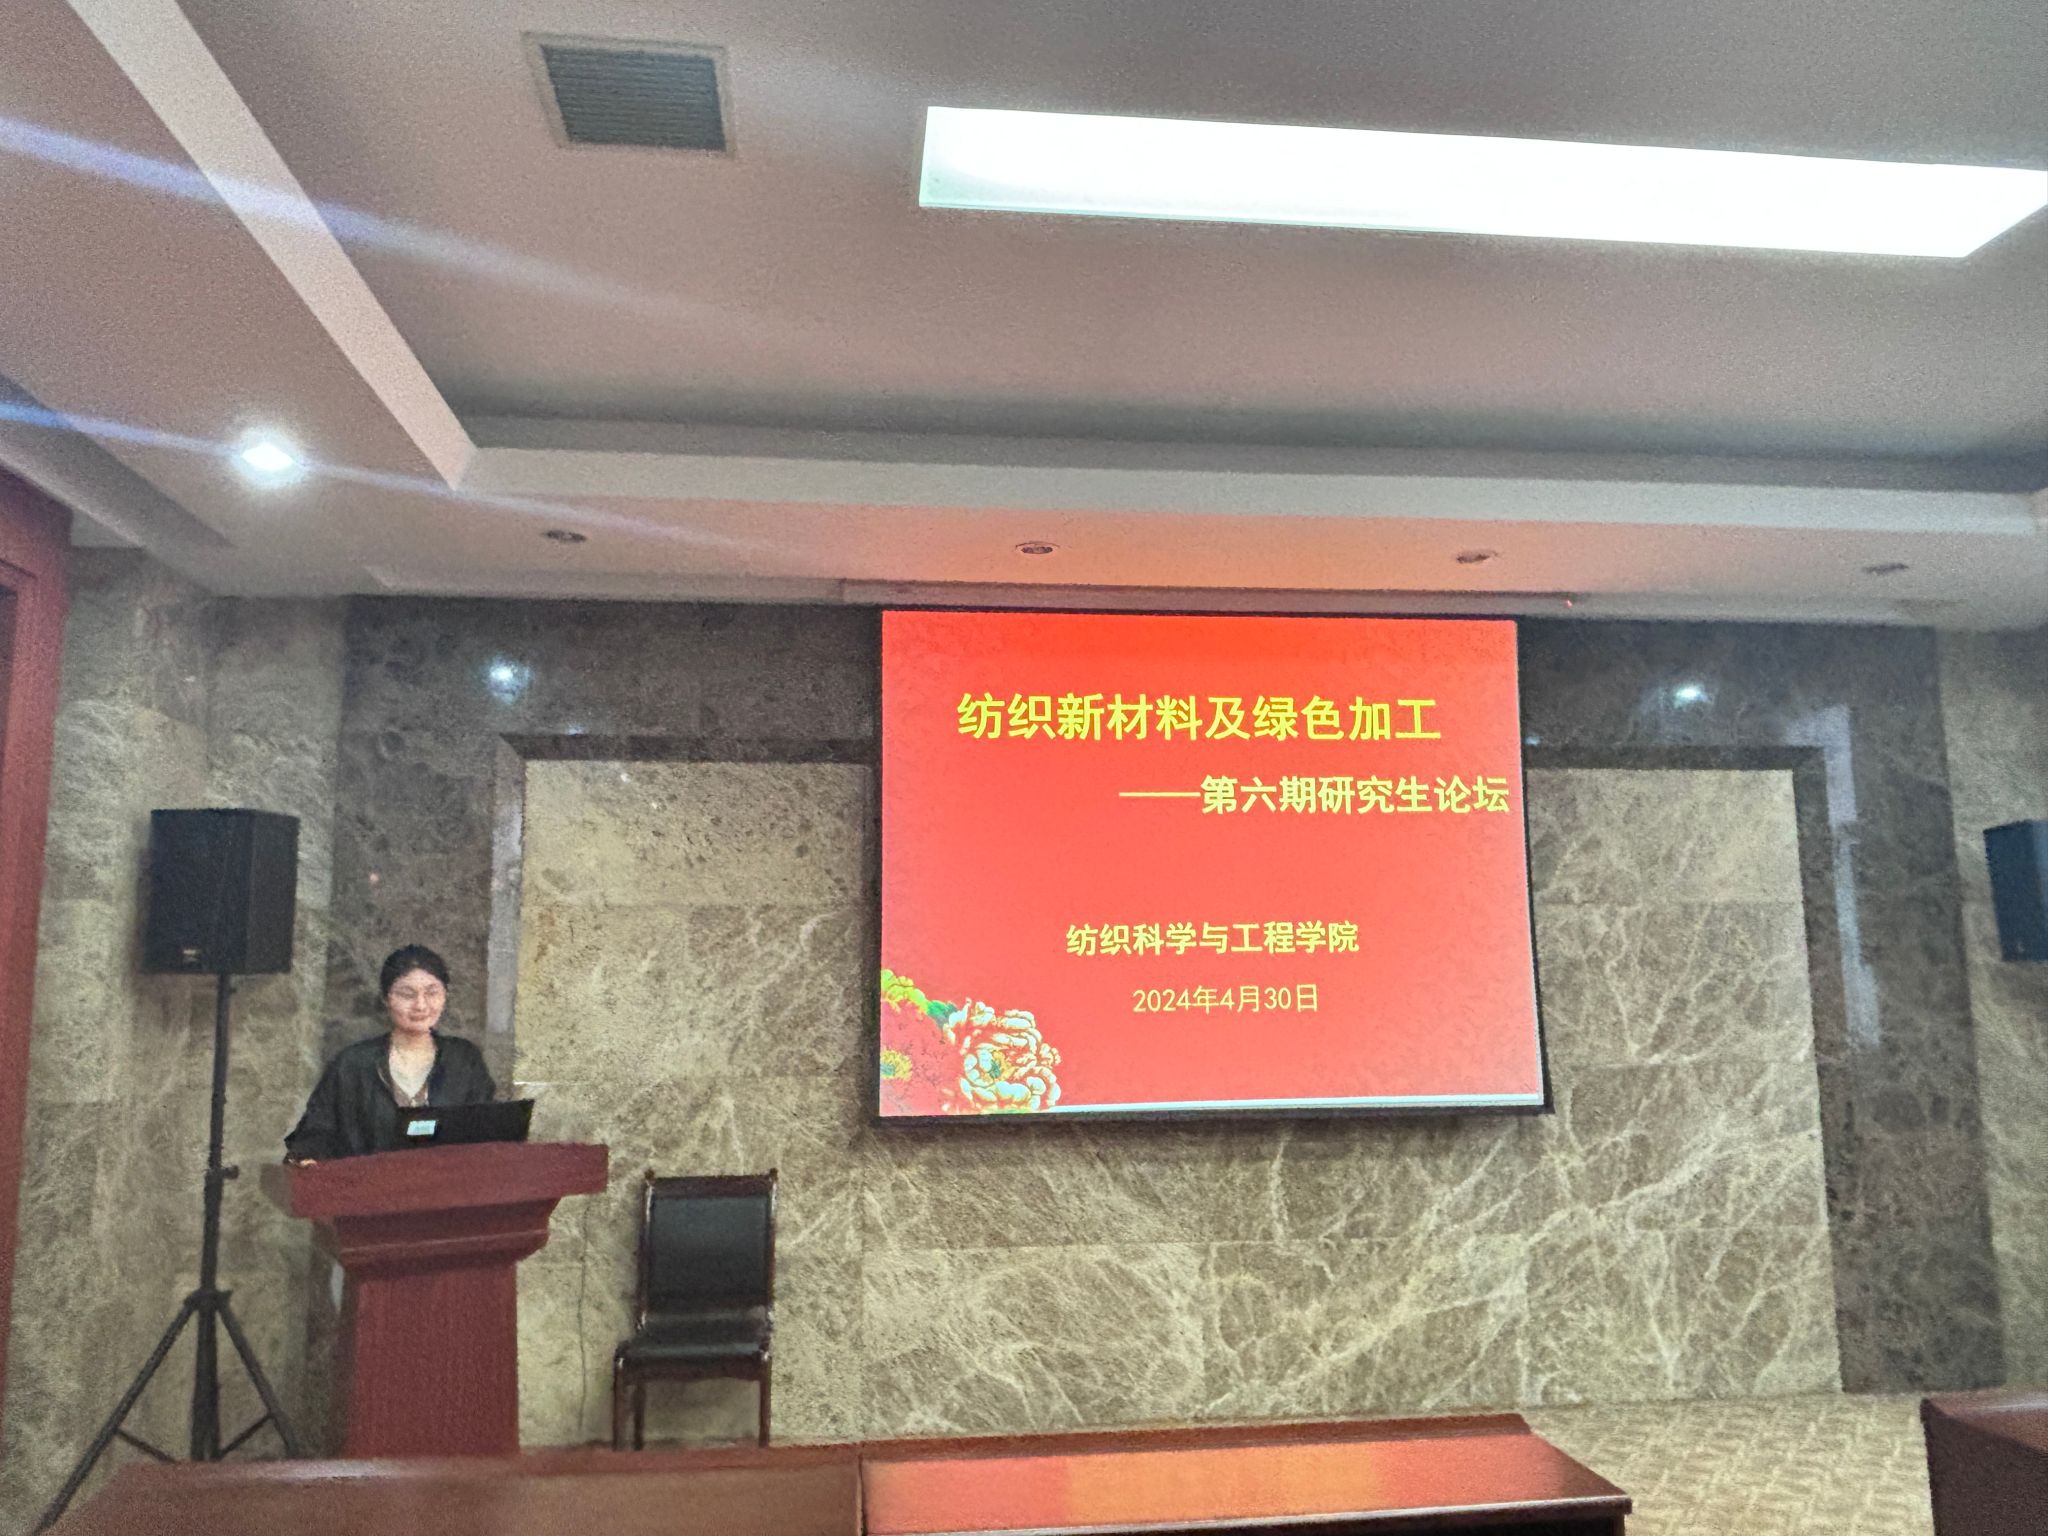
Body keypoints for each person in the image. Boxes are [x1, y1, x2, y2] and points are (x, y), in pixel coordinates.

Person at [284, 944, 496, 1162]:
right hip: (368, 1180)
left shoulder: (464, 1060)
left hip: (446, 1180)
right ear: (386, 998)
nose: (420, 1005)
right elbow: (315, 1134)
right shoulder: (352, 1063)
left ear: (445, 995)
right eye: (407, 994)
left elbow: (486, 1130)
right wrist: (307, 1156)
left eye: (432, 993)